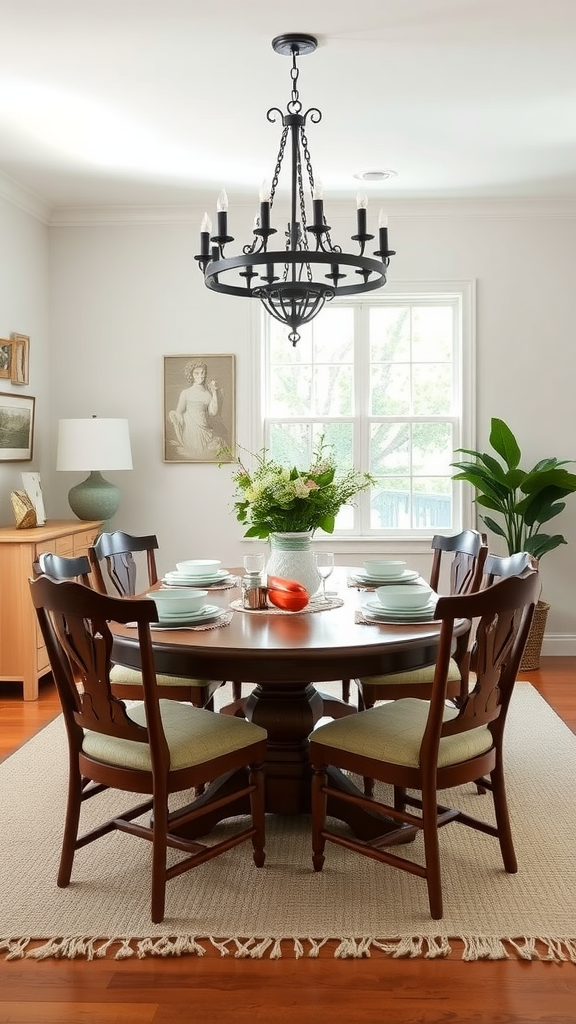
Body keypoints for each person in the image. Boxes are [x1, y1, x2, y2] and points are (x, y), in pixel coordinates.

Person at [168, 360, 226, 459]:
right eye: (197, 373)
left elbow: (213, 412)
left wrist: (214, 391)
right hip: (191, 429)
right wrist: (179, 421)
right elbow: (179, 412)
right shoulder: (186, 393)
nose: (200, 376)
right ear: (191, 375)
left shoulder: (207, 393)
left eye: (203, 373)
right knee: (197, 452)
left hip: (205, 429)